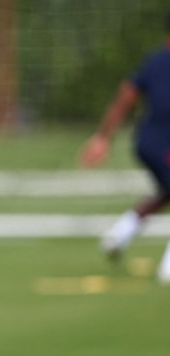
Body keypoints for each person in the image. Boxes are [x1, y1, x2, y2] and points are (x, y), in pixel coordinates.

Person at [78, 10, 170, 282]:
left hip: (145, 142)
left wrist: (103, 137)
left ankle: (120, 234)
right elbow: (127, 96)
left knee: (166, 192)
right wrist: (102, 139)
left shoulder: (152, 61)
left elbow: (125, 97)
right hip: (163, 144)